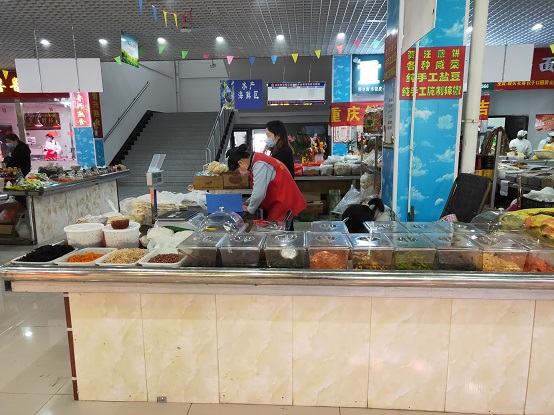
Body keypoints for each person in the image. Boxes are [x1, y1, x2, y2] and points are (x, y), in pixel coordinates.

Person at [226, 144, 306, 222]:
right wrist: (248, 202)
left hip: (284, 201)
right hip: (281, 200)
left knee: (274, 229)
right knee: (273, 227)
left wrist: (249, 209)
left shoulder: (260, 165)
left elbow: (259, 193)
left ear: (241, 163)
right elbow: (261, 188)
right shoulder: (257, 159)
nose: (240, 173)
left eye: (238, 171)